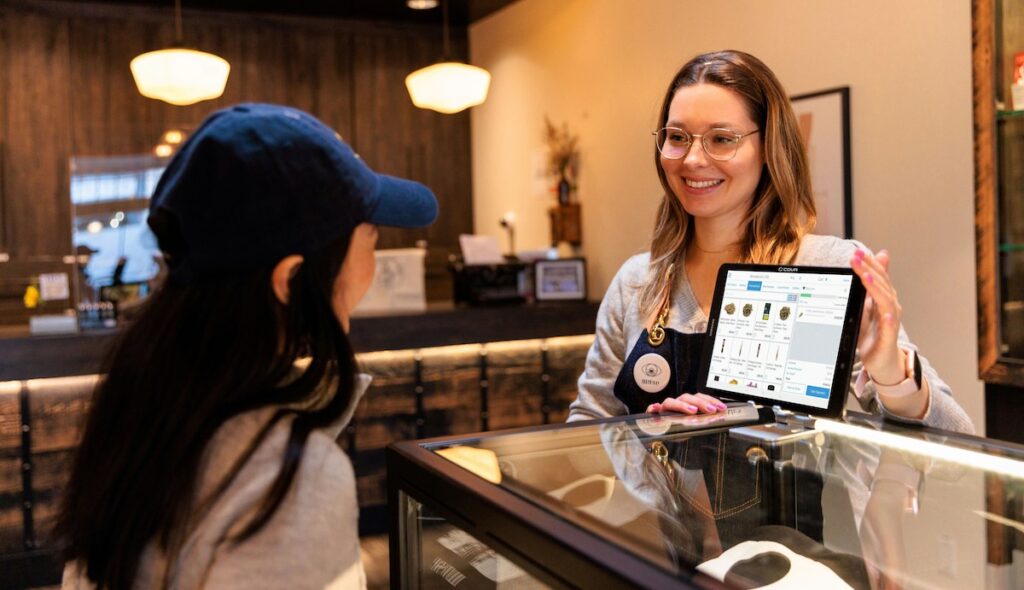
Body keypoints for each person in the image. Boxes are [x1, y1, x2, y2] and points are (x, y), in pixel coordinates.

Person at [55, 103, 438, 589]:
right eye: (371, 237)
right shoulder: (289, 482)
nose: (375, 263)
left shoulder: (147, 410)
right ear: (291, 277)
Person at [568, 50, 973, 434]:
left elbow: (955, 438)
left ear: (769, 149)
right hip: (664, 511)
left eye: (722, 139)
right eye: (678, 137)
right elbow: (585, 429)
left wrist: (891, 374)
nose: (691, 160)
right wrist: (656, 431)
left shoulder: (828, 266)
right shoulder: (638, 281)